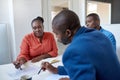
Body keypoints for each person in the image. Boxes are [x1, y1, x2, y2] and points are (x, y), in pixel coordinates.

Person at [41, 10, 120, 80]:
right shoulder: (99, 35)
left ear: (68, 33)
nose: (56, 37)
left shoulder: (73, 51)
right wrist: (56, 70)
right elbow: (86, 65)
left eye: (57, 34)